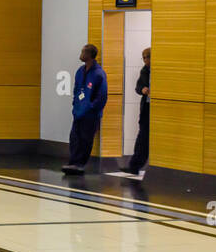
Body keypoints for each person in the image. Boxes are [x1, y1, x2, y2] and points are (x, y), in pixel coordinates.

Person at [63, 43, 108, 175]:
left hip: (90, 115)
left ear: (89, 55)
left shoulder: (99, 74)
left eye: (83, 52)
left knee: (86, 139)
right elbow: (76, 90)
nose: (81, 54)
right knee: (74, 138)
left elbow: (102, 96)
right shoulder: (80, 72)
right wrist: (75, 105)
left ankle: (80, 164)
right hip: (78, 112)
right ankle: (73, 162)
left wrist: (91, 108)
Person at [110, 47, 151, 180]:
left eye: (147, 57)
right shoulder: (144, 71)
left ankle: (136, 165)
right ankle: (134, 165)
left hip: (158, 110)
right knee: (142, 137)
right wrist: (142, 89)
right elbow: (138, 87)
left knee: (145, 137)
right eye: (143, 57)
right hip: (146, 108)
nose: (145, 60)